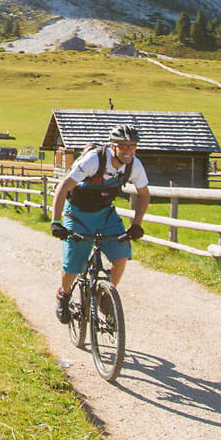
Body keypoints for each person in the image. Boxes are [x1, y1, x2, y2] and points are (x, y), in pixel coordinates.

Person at [50, 125, 151, 323]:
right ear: (113, 147)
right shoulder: (94, 160)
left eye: (133, 147)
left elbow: (144, 194)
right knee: (73, 265)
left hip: (105, 213)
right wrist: (56, 221)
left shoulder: (134, 165)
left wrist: (136, 225)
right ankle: (64, 295)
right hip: (77, 213)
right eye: (124, 147)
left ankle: (105, 298)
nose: (129, 151)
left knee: (121, 256)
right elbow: (63, 187)